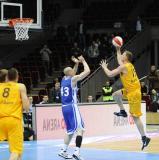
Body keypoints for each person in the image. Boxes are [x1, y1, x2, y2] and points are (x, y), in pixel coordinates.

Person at [100, 47, 151, 150]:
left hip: (134, 93)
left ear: (126, 58)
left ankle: (144, 138)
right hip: (129, 90)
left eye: (123, 54)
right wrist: (118, 49)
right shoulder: (127, 65)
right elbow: (119, 59)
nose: (121, 55)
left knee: (136, 117)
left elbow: (110, 74)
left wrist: (104, 67)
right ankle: (123, 111)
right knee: (115, 95)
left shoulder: (124, 67)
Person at [58, 55, 90, 160]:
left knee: (70, 131)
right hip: (72, 106)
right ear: (70, 73)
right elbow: (87, 71)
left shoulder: (63, 79)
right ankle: (77, 152)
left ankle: (63, 151)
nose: (74, 71)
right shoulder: (73, 79)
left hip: (64, 108)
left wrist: (76, 64)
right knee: (80, 129)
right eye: (72, 70)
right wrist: (83, 61)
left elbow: (72, 72)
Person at [0, 68, 30, 160]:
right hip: (14, 120)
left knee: (18, 152)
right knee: (16, 151)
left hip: (1, 120)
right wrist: (27, 109)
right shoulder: (20, 86)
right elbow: (26, 106)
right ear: (17, 77)